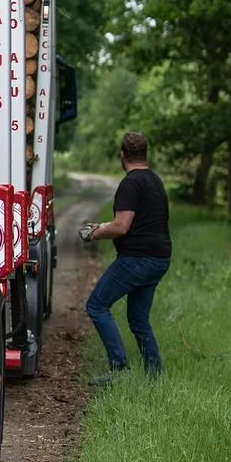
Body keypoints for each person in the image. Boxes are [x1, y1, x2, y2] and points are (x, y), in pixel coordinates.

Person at [79, 131, 171, 384]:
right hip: (159, 259)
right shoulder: (155, 180)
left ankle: (119, 368)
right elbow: (138, 221)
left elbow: (121, 226)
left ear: (123, 155)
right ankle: (154, 376)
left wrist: (94, 234)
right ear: (145, 154)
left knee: (97, 305)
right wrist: (103, 226)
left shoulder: (130, 183)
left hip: (137, 259)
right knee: (138, 319)